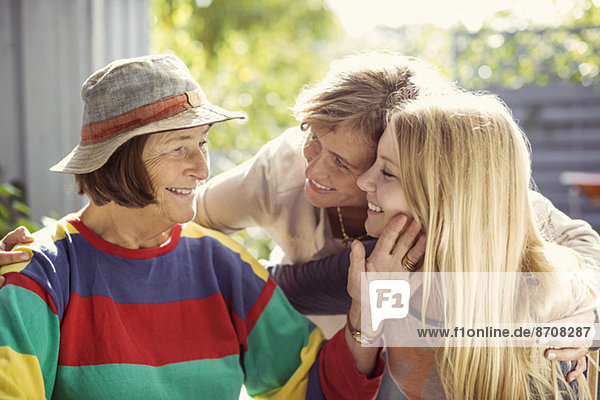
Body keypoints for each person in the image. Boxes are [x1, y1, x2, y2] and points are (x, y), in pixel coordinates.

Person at [1, 51, 599, 396]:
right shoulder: (284, 169)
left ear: (430, 178)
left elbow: (577, 256)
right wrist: (45, 254)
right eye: (313, 142)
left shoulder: (495, 256)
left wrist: (575, 308)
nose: (317, 165)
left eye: (368, 168)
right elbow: (156, 220)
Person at [0, 54, 384, 399]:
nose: (202, 170)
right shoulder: (38, 275)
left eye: (202, 144)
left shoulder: (222, 263)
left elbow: (311, 388)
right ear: (119, 158)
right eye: (178, 147)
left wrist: (365, 317)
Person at [350, 91, 599, 399]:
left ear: (447, 198)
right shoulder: (392, 271)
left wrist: (588, 304)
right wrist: (369, 303)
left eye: (387, 172)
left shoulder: (543, 322)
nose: (363, 180)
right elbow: (362, 370)